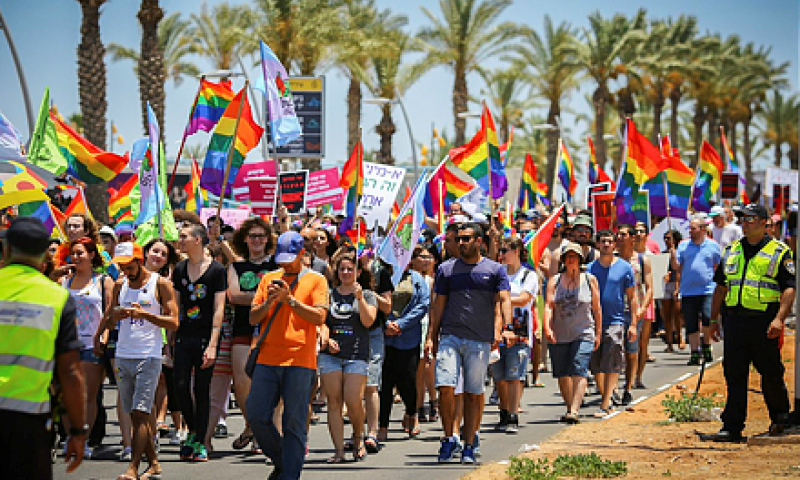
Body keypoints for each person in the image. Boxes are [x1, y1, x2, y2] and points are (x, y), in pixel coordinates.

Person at [0, 217, 87, 479]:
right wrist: (77, 432)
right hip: (30, 421)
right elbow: (71, 371)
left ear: (5, 249)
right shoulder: (57, 298)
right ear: (44, 257)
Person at [700, 204, 795, 443]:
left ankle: (780, 419)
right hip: (734, 322)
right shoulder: (731, 250)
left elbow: (789, 288)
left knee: (771, 372)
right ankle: (732, 427)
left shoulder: (779, 252)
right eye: (742, 218)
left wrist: (779, 319)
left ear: (764, 223)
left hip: (764, 322)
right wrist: (713, 320)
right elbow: (720, 288)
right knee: (734, 374)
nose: (745, 222)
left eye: (751, 218)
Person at [425, 222, 511, 464]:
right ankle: (449, 436)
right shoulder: (446, 269)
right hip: (450, 337)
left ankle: (470, 443)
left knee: (474, 394)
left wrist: (505, 326)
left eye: (466, 239)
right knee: (445, 387)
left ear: (479, 241)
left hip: (479, 340)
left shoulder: (495, 270)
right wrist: (431, 337)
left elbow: (504, 299)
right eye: (458, 239)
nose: (461, 243)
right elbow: (438, 305)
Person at [247, 231, 328, 480]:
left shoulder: (316, 280)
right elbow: (253, 318)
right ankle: (283, 460)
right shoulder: (269, 278)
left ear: (302, 254)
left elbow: (320, 317)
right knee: (256, 414)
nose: (284, 263)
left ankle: (290, 475)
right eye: (281, 258)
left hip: (300, 361)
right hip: (267, 359)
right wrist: (269, 302)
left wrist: (290, 301)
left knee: (294, 421)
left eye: (290, 258)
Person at [96, 242, 179, 479]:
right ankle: (153, 463)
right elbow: (110, 318)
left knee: (141, 412)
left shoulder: (160, 284)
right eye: (120, 266)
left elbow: (174, 322)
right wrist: (106, 328)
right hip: (123, 354)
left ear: (139, 261)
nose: (124, 270)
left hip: (149, 356)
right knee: (134, 414)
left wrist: (145, 315)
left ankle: (133, 467)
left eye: (128, 265)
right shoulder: (121, 284)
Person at [172, 224, 228, 461]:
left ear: (198, 239)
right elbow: (174, 306)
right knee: (181, 386)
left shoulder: (216, 270)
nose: (180, 240)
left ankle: (201, 441)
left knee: (202, 390)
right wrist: (170, 338)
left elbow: (219, 309)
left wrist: (213, 344)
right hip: (183, 337)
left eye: (184, 237)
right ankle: (193, 431)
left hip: (206, 337)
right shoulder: (179, 269)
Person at [319, 253, 377, 462]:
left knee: (353, 400)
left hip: (356, 355)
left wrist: (360, 298)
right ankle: (338, 451)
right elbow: (322, 321)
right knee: (334, 402)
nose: (345, 273)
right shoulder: (329, 294)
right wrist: (326, 338)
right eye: (342, 269)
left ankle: (358, 436)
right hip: (330, 356)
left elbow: (369, 321)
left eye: (350, 269)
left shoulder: (368, 295)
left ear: (358, 272)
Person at [60, 237, 114, 459]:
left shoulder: (103, 281)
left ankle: (85, 440)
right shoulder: (63, 281)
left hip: (93, 345)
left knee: (88, 396)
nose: (76, 257)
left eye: (81, 253)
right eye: (73, 253)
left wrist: (104, 337)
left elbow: (110, 312)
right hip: (67, 345)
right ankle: (69, 437)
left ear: (92, 255)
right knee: (66, 395)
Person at [227, 217, 277, 453]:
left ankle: (261, 430)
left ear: (268, 239)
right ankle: (251, 424)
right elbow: (234, 297)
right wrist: (265, 298)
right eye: (253, 236)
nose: (257, 240)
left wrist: (253, 300)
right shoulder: (235, 268)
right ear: (245, 239)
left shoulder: (277, 266)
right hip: (243, 328)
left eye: (261, 236)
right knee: (242, 382)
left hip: (272, 329)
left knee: (267, 382)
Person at [543, 242, 602, 423]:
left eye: (574, 256)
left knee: (579, 368)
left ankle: (575, 410)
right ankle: (570, 407)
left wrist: (598, 332)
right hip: (560, 333)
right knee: (562, 373)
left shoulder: (589, 279)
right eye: (568, 256)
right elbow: (548, 306)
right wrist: (547, 326)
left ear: (580, 259)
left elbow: (597, 308)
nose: (571, 260)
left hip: (583, 331)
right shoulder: (555, 281)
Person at [587, 230, 639, 417]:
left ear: (614, 245)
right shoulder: (590, 269)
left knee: (613, 361)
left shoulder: (625, 268)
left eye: (610, 241)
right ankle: (607, 395)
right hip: (592, 322)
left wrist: (633, 323)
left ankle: (606, 401)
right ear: (598, 245)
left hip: (616, 321)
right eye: (603, 241)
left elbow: (632, 298)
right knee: (596, 365)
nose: (607, 244)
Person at [378, 256, 430, 441]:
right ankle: (382, 425)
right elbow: (372, 301)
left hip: (408, 338)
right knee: (384, 383)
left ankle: (411, 413)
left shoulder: (417, 279)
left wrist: (401, 324)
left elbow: (423, 305)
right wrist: (386, 324)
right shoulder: (380, 275)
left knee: (407, 380)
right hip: (384, 338)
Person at [494, 236, 538, 433]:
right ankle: (503, 411)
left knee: (514, 374)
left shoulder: (528, 275)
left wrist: (504, 299)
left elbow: (524, 299)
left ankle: (513, 414)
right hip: (497, 329)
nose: (502, 255)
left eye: (506, 251)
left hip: (519, 331)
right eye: (501, 251)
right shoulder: (498, 273)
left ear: (517, 251)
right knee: (499, 376)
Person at [672, 217, 722, 365]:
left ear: (702, 229)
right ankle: (694, 352)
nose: (690, 231)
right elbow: (677, 266)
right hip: (688, 291)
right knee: (691, 323)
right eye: (690, 228)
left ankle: (706, 345)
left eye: (693, 228)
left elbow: (719, 265)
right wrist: (672, 256)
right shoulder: (683, 246)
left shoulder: (712, 246)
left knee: (707, 317)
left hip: (707, 289)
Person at [616, 225, 653, 404]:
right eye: (618, 234)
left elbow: (649, 287)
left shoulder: (641, 260)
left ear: (631, 238)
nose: (619, 237)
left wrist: (642, 309)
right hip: (615, 310)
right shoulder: (612, 260)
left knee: (632, 351)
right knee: (614, 350)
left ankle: (628, 387)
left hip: (633, 310)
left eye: (623, 234)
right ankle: (613, 387)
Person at [410, 246, 438, 423]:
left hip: (427, 323)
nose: (426, 260)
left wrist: (430, 335)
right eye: (422, 257)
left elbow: (433, 309)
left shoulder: (431, 281)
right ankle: (418, 406)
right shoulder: (407, 279)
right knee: (417, 370)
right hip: (411, 324)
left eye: (429, 257)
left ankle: (432, 400)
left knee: (428, 367)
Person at [660, 230, 685, 352]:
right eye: (665, 238)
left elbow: (679, 269)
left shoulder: (679, 253)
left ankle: (679, 336)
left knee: (677, 313)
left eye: (668, 238)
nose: (666, 240)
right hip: (665, 285)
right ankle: (669, 342)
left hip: (677, 284)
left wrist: (677, 286)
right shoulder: (663, 254)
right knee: (667, 315)